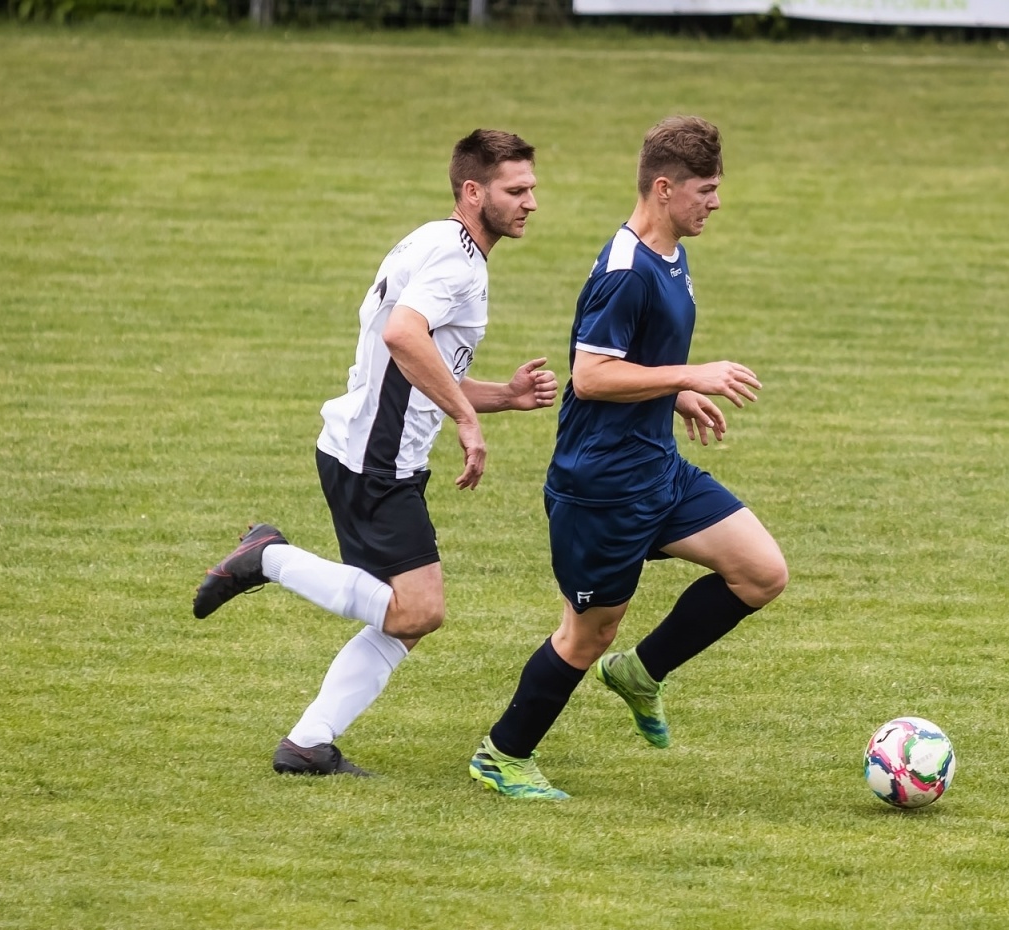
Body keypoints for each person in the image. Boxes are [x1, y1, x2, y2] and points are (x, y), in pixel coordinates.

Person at [192, 129, 556, 777]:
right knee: (419, 609)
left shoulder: (435, 241)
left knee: (408, 618)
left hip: (374, 452)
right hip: (375, 460)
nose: (532, 202)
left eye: (532, 188)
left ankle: (307, 744)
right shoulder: (454, 261)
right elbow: (401, 336)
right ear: (474, 192)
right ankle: (267, 557)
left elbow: (418, 362)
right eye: (517, 190)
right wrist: (468, 419)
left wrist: (500, 396)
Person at [468, 116, 788, 800]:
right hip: (602, 487)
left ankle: (641, 673)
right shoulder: (627, 270)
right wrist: (687, 376)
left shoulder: (670, 252)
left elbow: (632, 358)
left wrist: (672, 397)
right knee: (585, 636)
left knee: (761, 572)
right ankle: (502, 754)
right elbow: (590, 376)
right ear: (665, 188)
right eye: (706, 190)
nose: (716, 203)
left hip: (656, 469)